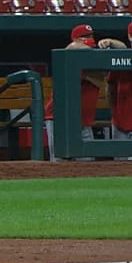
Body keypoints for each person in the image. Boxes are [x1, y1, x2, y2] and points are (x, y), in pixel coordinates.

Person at [43, 24, 103, 161]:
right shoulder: (68, 56)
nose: (90, 38)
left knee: (87, 162)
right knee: (61, 161)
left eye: (91, 35)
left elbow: (100, 78)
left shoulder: (94, 57)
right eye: (85, 36)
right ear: (76, 39)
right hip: (60, 118)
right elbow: (71, 47)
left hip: (83, 120)